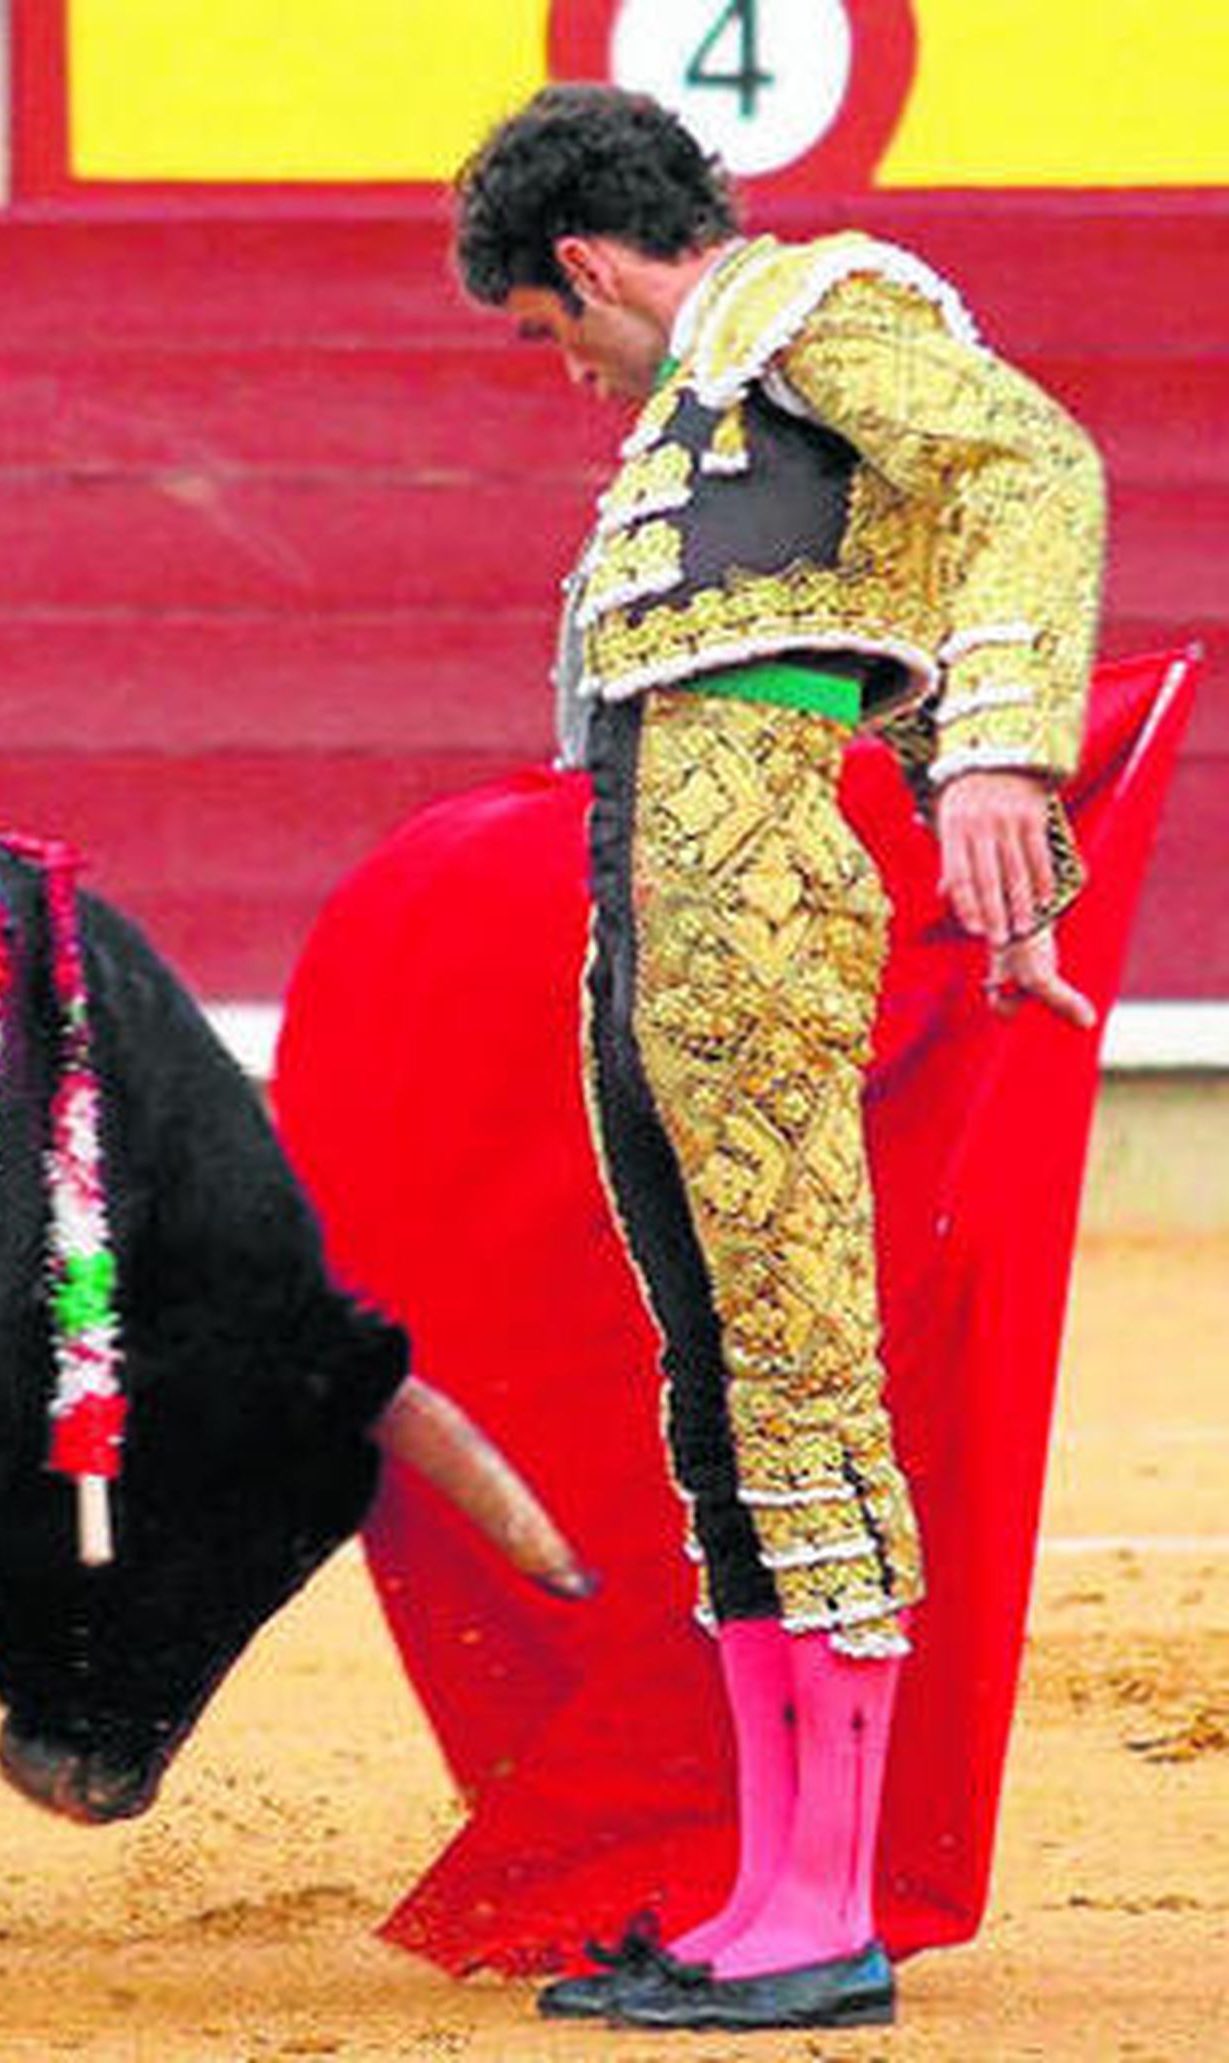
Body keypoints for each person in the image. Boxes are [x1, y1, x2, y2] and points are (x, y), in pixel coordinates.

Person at [450, 83, 1105, 2033]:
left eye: (542, 332)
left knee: (790, 1369)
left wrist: (1001, 765)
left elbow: (1029, 469)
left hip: (735, 891)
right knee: (724, 1390)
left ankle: (820, 1911)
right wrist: (1015, 874)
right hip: (659, 898)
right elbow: (880, 596)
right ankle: (767, 1895)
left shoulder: (802, 302)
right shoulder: (725, 396)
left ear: (580, 263)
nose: (562, 375)